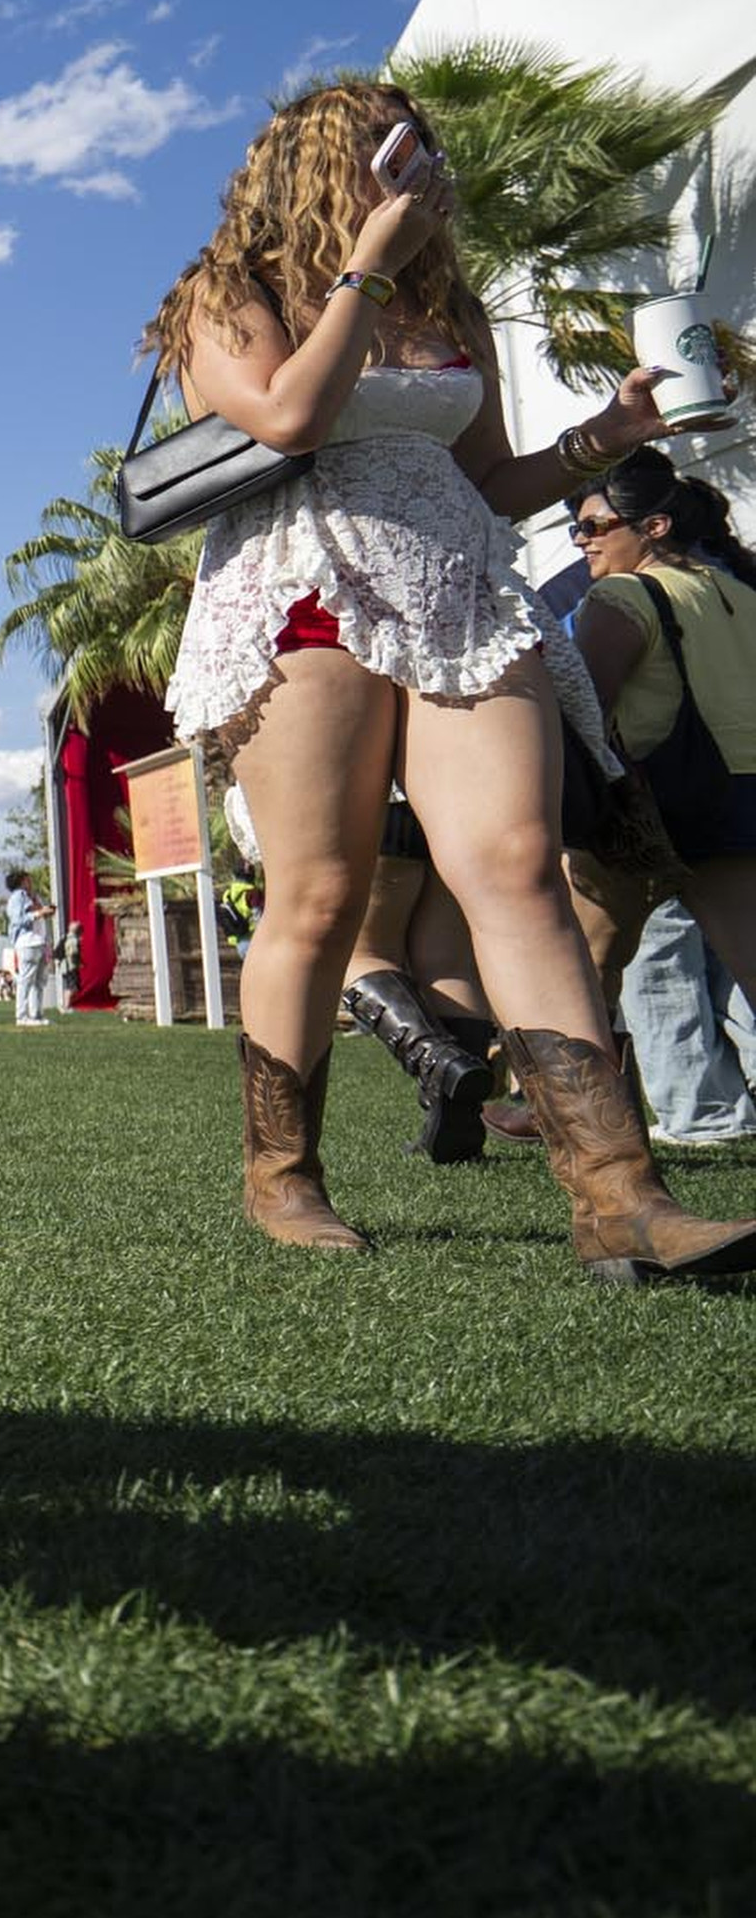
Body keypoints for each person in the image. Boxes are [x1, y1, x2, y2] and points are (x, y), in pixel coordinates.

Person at [153, 81, 754, 1280]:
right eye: (401, 149)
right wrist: (364, 268)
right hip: (301, 587)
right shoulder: (228, 294)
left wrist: (609, 434)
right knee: (319, 895)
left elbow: (486, 479)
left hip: (460, 588)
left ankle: (619, 1197)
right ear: (333, 163)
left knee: (519, 865)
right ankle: (282, 1175)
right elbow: (285, 415)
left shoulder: (448, 304)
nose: (426, 168)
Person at [570, 451, 756, 1139]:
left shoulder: (623, 597)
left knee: (582, 970)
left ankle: (580, 1123)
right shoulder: (740, 590)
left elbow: (584, 710)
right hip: (740, 793)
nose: (582, 539)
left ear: (651, 527)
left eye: (593, 526)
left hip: (655, 804)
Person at [1, 869, 53, 1026]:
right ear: (21, 881)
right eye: (27, 879)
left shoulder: (33, 896)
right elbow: (17, 919)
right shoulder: (18, 897)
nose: (30, 882)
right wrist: (38, 914)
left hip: (39, 941)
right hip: (27, 941)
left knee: (39, 981)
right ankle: (22, 1016)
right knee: (26, 980)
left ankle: (36, 1014)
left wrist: (45, 912)